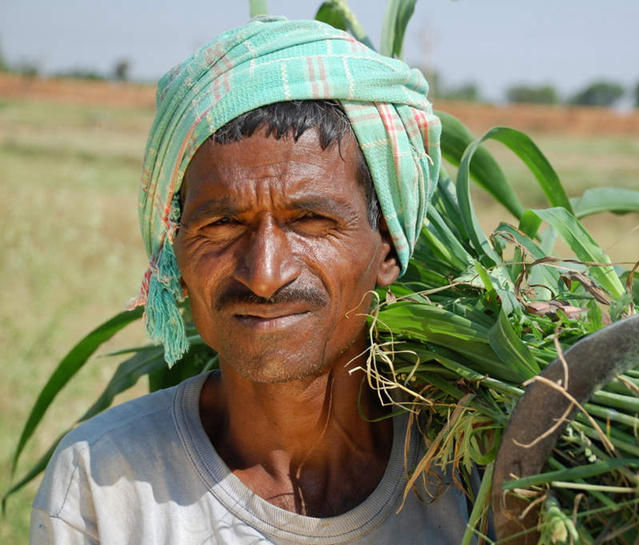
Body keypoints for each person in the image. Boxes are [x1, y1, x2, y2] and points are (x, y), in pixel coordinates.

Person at [30, 16, 473, 545]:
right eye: (222, 224)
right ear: (175, 253)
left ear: (387, 246)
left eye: (311, 222)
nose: (264, 275)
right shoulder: (104, 484)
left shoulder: (475, 474)